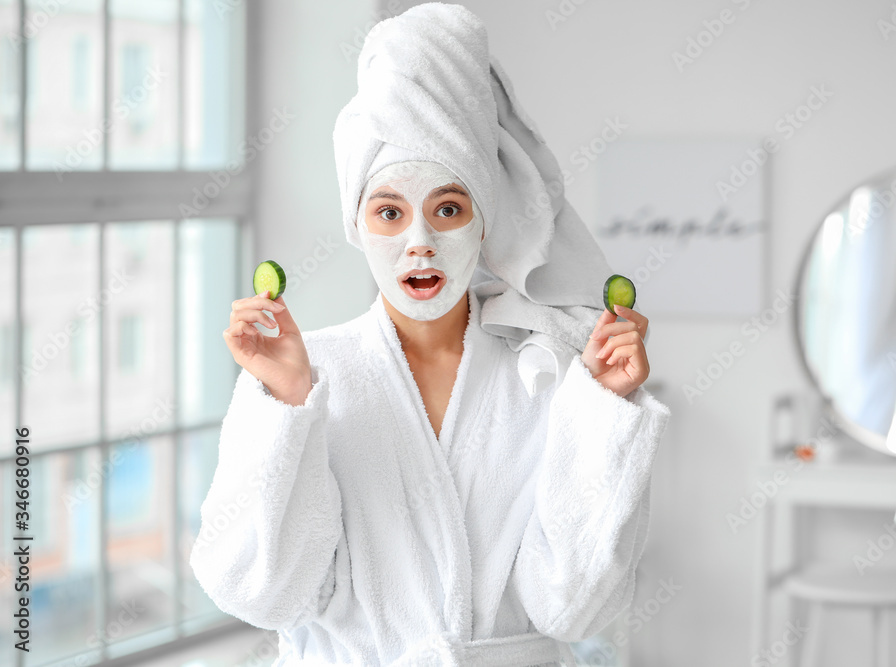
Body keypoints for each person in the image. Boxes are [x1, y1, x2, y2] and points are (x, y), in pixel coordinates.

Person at [189, 4, 671, 665]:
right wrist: (287, 405)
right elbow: (262, 593)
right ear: (358, 225)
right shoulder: (305, 377)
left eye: (448, 208)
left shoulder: (548, 374)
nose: (419, 242)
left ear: (483, 221)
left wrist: (605, 412)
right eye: (390, 211)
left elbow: (571, 606)